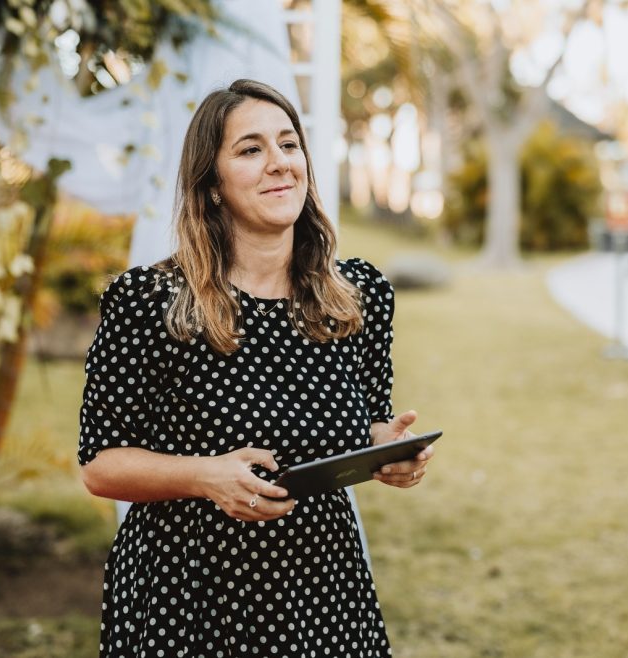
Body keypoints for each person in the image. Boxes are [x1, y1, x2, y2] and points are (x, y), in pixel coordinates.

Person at [78, 79, 434, 657]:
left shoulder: (356, 295)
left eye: (290, 145)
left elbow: (363, 426)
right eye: (251, 149)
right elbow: (100, 466)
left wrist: (388, 450)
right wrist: (206, 476)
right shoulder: (149, 302)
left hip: (325, 594)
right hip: (189, 599)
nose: (279, 164)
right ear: (212, 185)